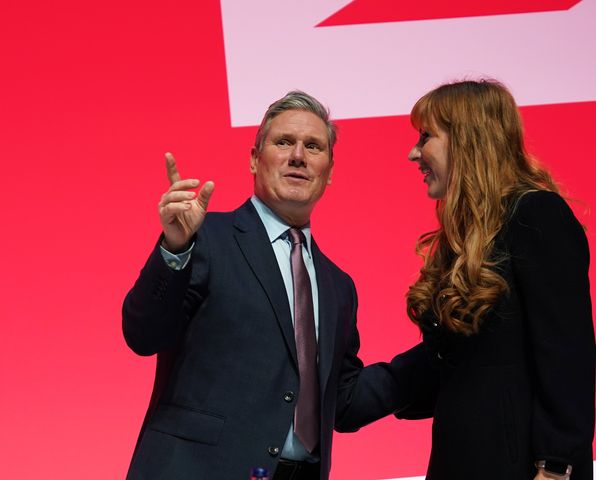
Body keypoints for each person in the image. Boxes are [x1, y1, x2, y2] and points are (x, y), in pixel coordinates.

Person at [122, 91, 433, 480]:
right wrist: (175, 250)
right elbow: (143, 335)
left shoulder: (339, 286)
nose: (298, 156)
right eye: (284, 142)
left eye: (314, 146)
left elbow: (343, 403)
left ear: (330, 170)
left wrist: (436, 357)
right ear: (255, 159)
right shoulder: (206, 237)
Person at [398, 80, 596, 479]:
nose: (413, 153)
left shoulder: (536, 216)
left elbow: (566, 353)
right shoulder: (465, 240)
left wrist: (556, 466)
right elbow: (454, 364)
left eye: (426, 136)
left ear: (467, 140)